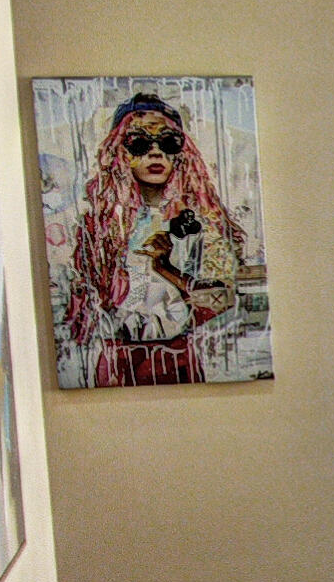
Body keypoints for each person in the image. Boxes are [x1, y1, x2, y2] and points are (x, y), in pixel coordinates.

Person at [59, 92, 246, 385]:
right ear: (121, 152)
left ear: (180, 153)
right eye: (140, 143)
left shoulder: (203, 222)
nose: (156, 153)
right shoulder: (99, 225)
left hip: (178, 354)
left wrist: (166, 269)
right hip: (116, 359)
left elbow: (221, 300)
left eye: (168, 143)